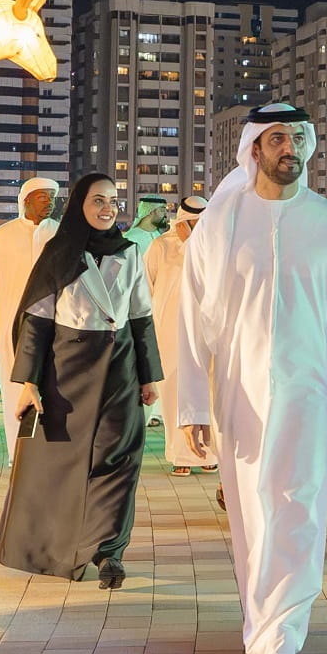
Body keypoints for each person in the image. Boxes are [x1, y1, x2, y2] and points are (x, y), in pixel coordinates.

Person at [177, 103, 327, 654]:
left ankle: (283, 640)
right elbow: (192, 320)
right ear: (254, 150)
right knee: (251, 513)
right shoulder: (220, 221)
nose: (290, 148)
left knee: (299, 507)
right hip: (238, 392)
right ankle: (264, 626)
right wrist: (190, 407)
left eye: (299, 138)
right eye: (277, 139)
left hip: (311, 391)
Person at [0, 173, 162, 589]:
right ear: (79, 206)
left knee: (119, 461)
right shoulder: (59, 253)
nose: (108, 209)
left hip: (120, 367)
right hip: (66, 370)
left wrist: (149, 376)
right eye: (98, 201)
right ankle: (54, 547)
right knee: (63, 464)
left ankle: (109, 553)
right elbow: (36, 321)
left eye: (114, 201)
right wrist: (29, 383)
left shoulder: (130, 252)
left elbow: (141, 317)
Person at [0, 177, 58, 458]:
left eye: (52, 196)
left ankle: (45, 456)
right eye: (42, 197)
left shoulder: (59, 234)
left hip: (54, 326)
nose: (49, 201)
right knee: (13, 388)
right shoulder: (4, 235)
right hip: (10, 323)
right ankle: (19, 455)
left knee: (51, 387)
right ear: (25, 201)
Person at [144, 195, 213, 476]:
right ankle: (180, 454)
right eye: (192, 221)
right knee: (173, 389)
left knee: (208, 388)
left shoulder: (215, 246)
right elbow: (145, 287)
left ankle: (209, 453)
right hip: (170, 330)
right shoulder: (161, 245)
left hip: (206, 330)